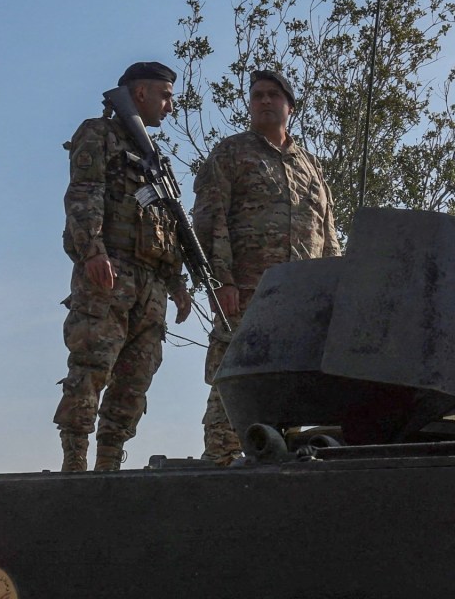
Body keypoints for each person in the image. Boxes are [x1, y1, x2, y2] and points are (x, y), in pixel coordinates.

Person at [192, 69, 341, 464]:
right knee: (235, 377)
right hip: (247, 291)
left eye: (273, 95)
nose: (264, 101)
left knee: (289, 380)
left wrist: (333, 292)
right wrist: (221, 280)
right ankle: (221, 461)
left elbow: (327, 232)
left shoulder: (310, 166)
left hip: (301, 300)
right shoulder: (231, 153)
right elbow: (209, 219)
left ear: (290, 106)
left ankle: (277, 460)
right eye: (257, 95)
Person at [54, 61, 193, 472]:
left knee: (135, 380)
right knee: (91, 367)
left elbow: (166, 223)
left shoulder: (153, 156)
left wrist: (177, 282)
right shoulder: (99, 134)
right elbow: (84, 193)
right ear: (140, 93)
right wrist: (93, 250)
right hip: (110, 273)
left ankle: (109, 465)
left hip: (151, 284)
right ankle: (75, 465)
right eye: (165, 96)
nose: (170, 106)